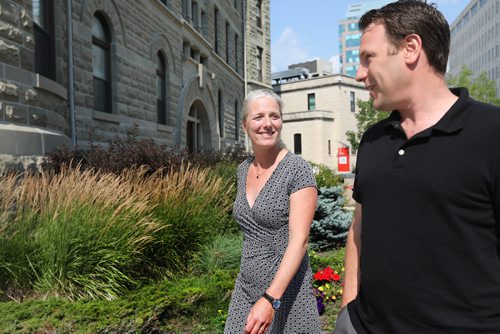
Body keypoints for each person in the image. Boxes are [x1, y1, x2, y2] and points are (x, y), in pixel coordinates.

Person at [334, 1, 500, 333]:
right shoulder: (373, 139)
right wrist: (347, 313)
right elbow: (359, 227)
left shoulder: (491, 132)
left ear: (410, 48)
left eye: (369, 58)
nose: (359, 74)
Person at [224, 89, 321, 333]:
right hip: (245, 290)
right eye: (258, 117)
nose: (267, 124)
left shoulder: (298, 170)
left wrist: (270, 299)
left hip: (286, 294)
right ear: (245, 124)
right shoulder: (242, 170)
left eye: (274, 116)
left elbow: (299, 241)